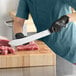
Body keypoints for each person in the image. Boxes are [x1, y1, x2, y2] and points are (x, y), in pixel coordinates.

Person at [13, 0, 76, 64]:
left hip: (69, 49)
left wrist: (65, 19)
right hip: (45, 50)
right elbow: (18, 21)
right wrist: (19, 34)